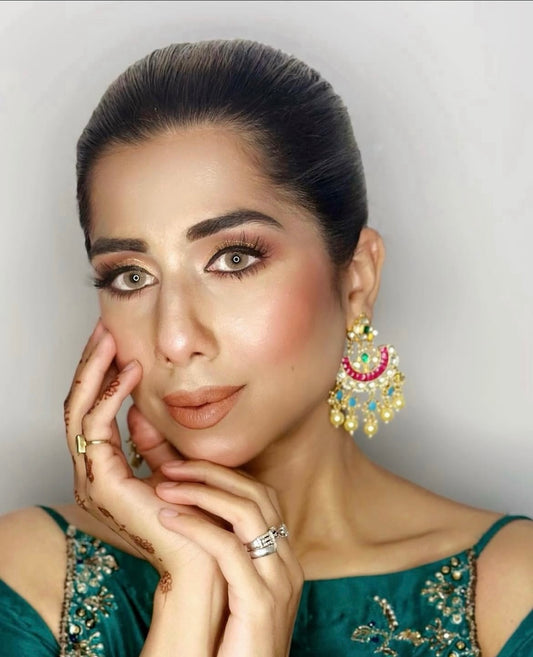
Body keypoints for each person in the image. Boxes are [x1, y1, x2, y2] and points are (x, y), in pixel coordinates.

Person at [0, 38, 531, 657]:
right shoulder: (31, 580)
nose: (176, 339)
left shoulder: (508, 594)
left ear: (356, 279)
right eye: (131, 276)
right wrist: (191, 590)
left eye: (233, 259)